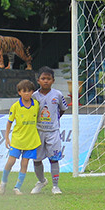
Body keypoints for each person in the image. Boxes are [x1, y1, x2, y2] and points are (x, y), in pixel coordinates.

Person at [0, 79, 41, 195]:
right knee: (11, 161)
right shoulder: (15, 106)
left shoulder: (36, 105)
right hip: (17, 139)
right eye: (24, 91)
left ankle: (17, 187)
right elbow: (9, 123)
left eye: (29, 91)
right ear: (19, 92)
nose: (27, 93)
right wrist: (7, 138)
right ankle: (3, 182)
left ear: (32, 92)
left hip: (31, 140)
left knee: (25, 163)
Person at [31, 67, 68, 195]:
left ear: (53, 80)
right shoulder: (34, 96)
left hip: (53, 132)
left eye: (48, 79)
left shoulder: (57, 94)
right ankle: (41, 181)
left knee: (54, 158)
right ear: (38, 81)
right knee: (36, 159)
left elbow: (62, 109)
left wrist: (54, 120)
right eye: (43, 79)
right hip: (38, 131)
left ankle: (55, 186)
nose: (46, 81)